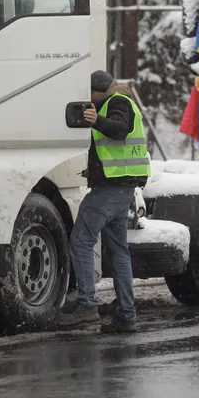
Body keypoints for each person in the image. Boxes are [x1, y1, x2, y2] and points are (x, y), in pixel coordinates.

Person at [56, 70, 151, 333]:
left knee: (81, 241)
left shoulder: (118, 102)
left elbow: (119, 130)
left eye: (90, 96)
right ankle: (126, 314)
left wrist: (96, 120)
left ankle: (87, 307)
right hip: (120, 186)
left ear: (96, 92)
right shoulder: (120, 100)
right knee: (118, 249)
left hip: (113, 188)